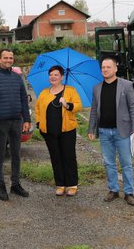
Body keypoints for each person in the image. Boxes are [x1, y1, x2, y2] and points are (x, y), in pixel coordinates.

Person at [88, 57, 134, 206]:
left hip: (122, 131)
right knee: (108, 163)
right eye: (103, 67)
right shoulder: (97, 88)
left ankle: (129, 192)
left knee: (126, 163)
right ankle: (113, 189)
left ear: (115, 68)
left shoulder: (126, 85)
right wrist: (91, 128)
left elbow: (133, 108)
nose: (105, 69)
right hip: (104, 132)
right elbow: (94, 110)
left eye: (108, 67)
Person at [0, 48, 31, 201]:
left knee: (16, 155)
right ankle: (1, 186)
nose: (8, 60)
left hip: (17, 122)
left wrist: (27, 119)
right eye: (5, 58)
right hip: (0, 123)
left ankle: (15, 184)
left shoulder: (17, 78)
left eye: (11, 58)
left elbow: (24, 99)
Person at [35, 65, 82, 196]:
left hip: (67, 131)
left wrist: (67, 104)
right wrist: (39, 123)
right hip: (49, 132)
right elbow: (38, 109)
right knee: (55, 158)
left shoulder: (70, 90)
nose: (53, 77)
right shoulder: (44, 93)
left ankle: (72, 184)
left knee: (69, 157)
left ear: (62, 77)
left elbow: (79, 106)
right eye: (51, 75)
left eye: (56, 74)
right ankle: (60, 184)